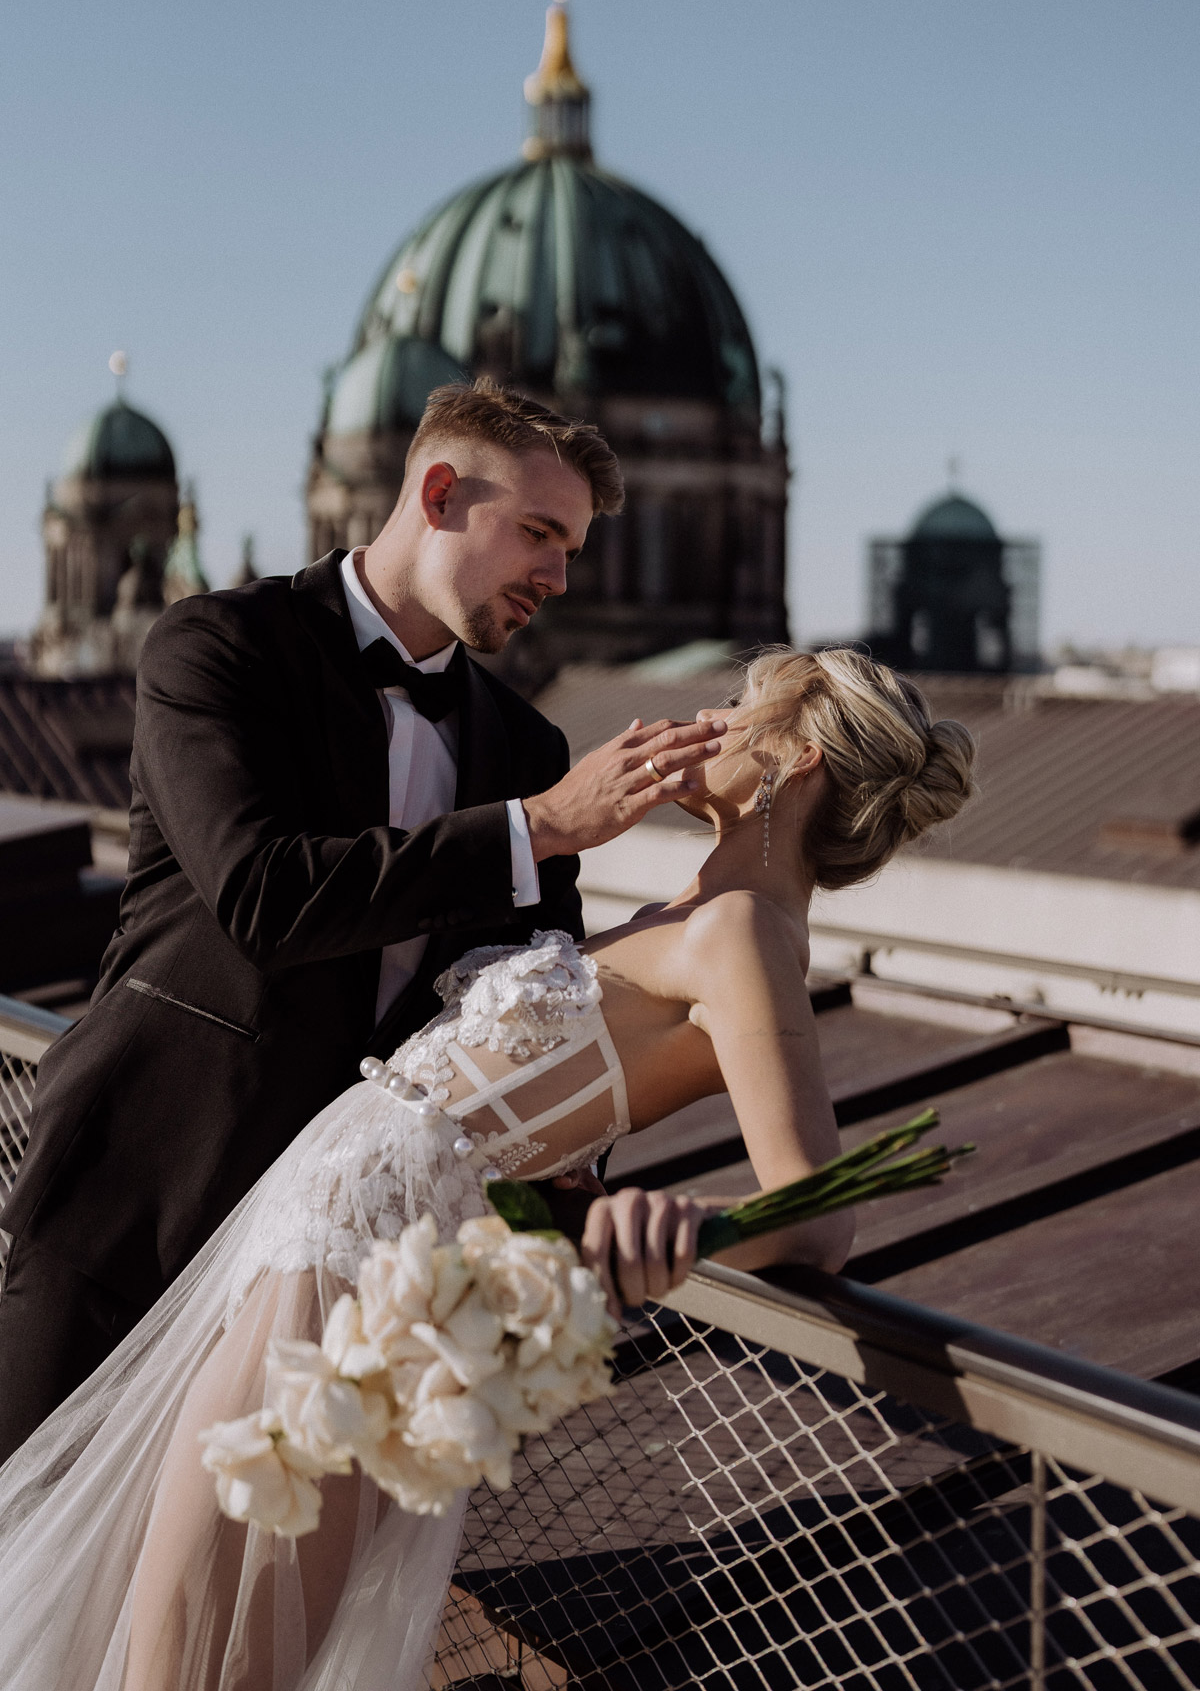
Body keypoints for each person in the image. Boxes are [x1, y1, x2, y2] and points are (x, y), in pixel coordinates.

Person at [0, 645, 975, 1691]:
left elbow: (814, 1214)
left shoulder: (743, 932)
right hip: (310, 1252)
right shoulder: (685, 913)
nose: (710, 713)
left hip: (366, 1296)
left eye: (742, 706)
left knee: (203, 1663)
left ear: (801, 758)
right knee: (158, 1623)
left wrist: (676, 1234)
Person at [0, 378, 729, 1463]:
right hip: (136, 1204)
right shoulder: (216, 646)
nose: (559, 577)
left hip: (335, 1274)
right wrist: (537, 827)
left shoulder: (526, 747)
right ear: (437, 493)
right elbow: (260, 896)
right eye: (537, 533)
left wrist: (582, 1193)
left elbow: (536, 1012)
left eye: (570, 548)